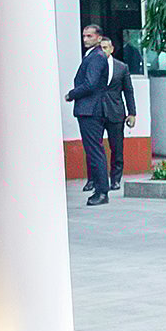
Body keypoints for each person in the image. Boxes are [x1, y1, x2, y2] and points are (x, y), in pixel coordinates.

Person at [65, 23, 111, 206]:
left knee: (95, 150)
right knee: (93, 150)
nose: (85, 39)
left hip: (91, 110)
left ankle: (101, 191)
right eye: (84, 36)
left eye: (90, 36)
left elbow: (90, 84)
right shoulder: (93, 56)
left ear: (99, 38)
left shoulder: (97, 57)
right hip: (89, 109)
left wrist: (72, 94)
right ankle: (100, 189)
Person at [99, 37, 137, 190]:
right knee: (95, 147)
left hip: (116, 111)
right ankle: (94, 179)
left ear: (112, 49)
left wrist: (132, 112)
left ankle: (115, 179)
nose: (103, 51)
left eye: (105, 47)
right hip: (97, 111)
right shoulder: (93, 66)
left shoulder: (122, 67)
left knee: (117, 147)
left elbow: (128, 91)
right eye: (100, 48)